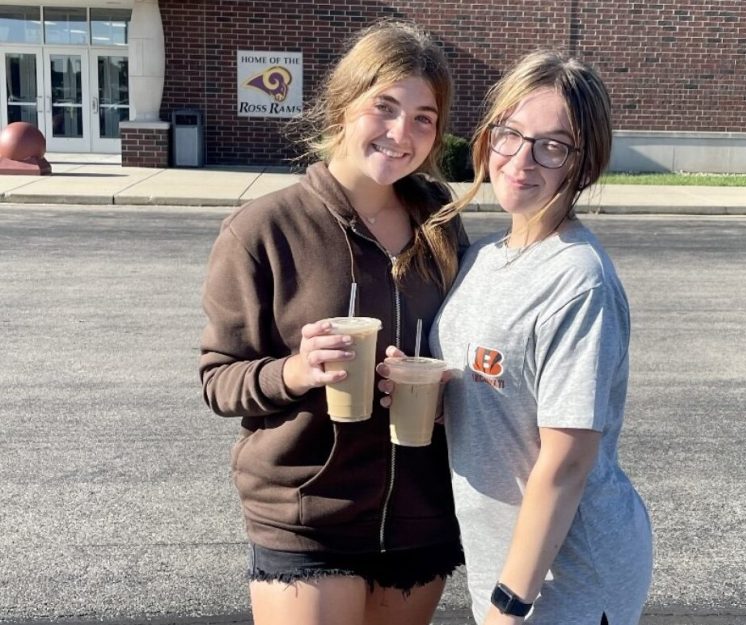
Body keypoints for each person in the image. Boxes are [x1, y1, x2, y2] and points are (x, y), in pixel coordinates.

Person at [199, 21, 467, 625]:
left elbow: (463, 350)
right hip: (305, 512)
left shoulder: (442, 226)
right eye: (385, 107)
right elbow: (218, 379)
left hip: (420, 511)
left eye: (424, 117)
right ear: (343, 106)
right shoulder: (264, 229)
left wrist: (448, 388)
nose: (402, 133)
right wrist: (295, 370)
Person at [430, 51, 653, 624]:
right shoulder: (483, 255)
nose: (522, 159)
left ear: (584, 164)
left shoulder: (578, 280)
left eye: (553, 145)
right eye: (511, 133)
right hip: (501, 558)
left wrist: (511, 603)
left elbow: (567, 460)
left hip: (566, 579)